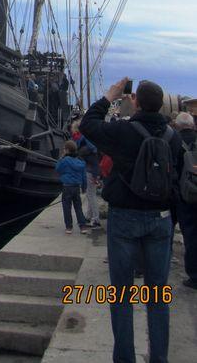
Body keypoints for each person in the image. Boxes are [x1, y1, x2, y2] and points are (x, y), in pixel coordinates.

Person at [80, 77, 181, 363]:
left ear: (136, 103)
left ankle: (125, 358)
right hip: (160, 219)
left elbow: (88, 125)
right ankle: (159, 358)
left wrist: (109, 96)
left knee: (121, 294)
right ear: (161, 105)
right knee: (158, 295)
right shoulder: (172, 137)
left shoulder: (123, 132)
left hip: (125, 217)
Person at [174, 111, 197, 289]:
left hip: (183, 196)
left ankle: (194, 276)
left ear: (177, 126)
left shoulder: (174, 141)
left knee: (190, 235)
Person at [55, 140, 89, 235]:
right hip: (76, 187)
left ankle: (69, 227)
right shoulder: (81, 162)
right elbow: (84, 177)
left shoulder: (65, 160)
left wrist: (61, 158)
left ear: (67, 150)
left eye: (64, 149)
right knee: (78, 207)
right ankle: (82, 226)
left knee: (67, 207)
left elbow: (58, 169)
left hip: (67, 187)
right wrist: (84, 188)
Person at [76, 133, 102, 228]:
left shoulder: (85, 149)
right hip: (92, 172)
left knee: (91, 196)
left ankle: (96, 219)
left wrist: (95, 176)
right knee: (91, 195)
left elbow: (93, 162)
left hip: (89, 173)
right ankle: (89, 216)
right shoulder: (93, 146)